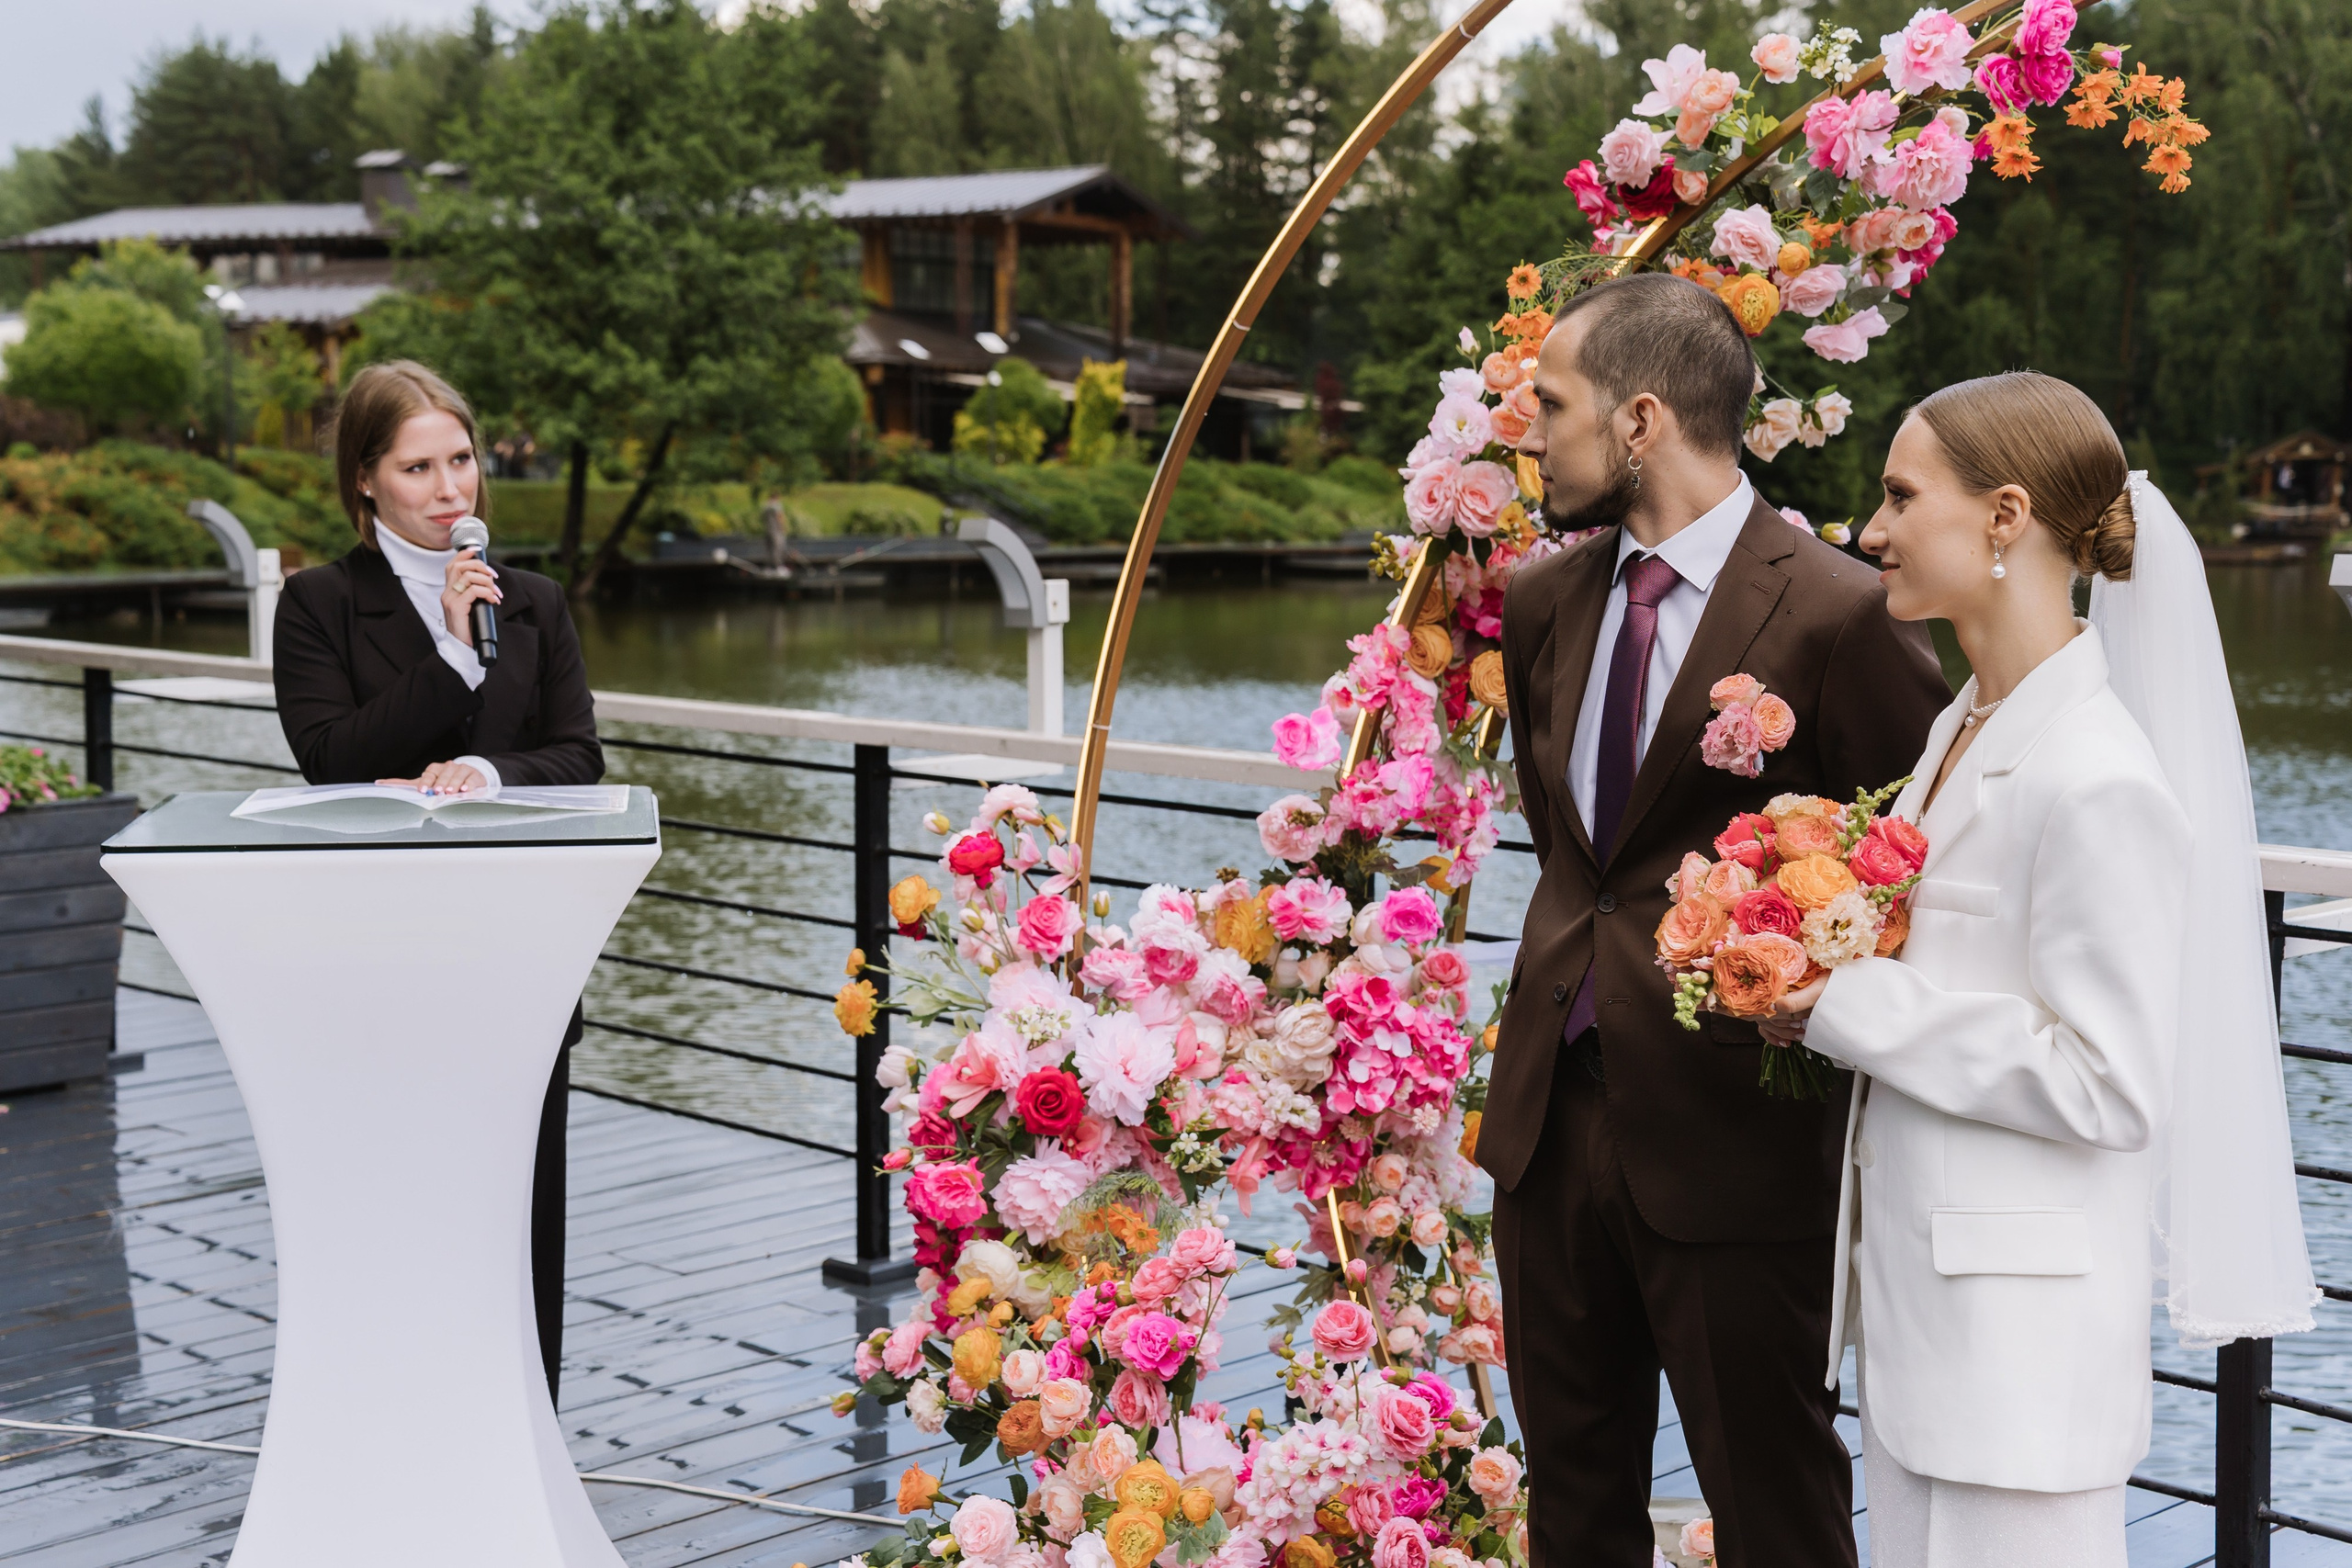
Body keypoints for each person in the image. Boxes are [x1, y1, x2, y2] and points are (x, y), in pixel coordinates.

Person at [1762, 372, 2315, 1564]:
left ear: (2005, 516)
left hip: (2016, 1361)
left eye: (1903, 496)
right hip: (1926, 1328)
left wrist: (1839, 1002)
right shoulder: (1961, 725)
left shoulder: (2098, 775)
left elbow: (2111, 1083)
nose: (1871, 530)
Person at [1487, 272, 1950, 1566]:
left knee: (1774, 1503)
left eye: (1554, 403)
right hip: (1548, 1121)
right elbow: (1577, 855)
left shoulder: (1839, 612)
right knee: (1572, 1498)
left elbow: (1913, 865)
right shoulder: (1544, 603)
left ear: (1639, 421)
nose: (1530, 429)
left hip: (1736, 1138)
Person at [272, 359, 603, 1403]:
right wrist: (454, 663)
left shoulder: (537, 603)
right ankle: (397, 1419)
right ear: (365, 479)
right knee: (396, 1215)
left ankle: (528, 1425)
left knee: (524, 1219)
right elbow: (329, 756)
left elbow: (579, 756)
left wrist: (492, 772)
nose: (451, 488)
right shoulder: (316, 605)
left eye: (460, 458)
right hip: (381, 967)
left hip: (521, 960)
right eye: (419, 466)